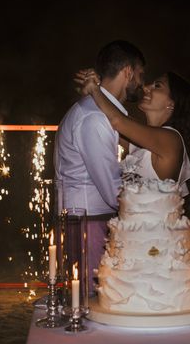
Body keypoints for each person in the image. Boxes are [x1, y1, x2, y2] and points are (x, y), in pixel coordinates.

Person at [53, 40, 145, 293]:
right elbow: (113, 190)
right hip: (87, 222)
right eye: (140, 75)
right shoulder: (94, 118)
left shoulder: (98, 112)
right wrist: (150, 212)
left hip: (88, 219)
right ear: (127, 72)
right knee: (91, 300)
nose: (142, 83)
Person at [75, 69, 190, 239]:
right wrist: (94, 89)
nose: (146, 87)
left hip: (155, 244)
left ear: (171, 103)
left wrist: (95, 90)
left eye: (157, 86)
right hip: (132, 240)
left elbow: (117, 121)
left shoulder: (171, 140)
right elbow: (110, 120)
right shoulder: (143, 143)